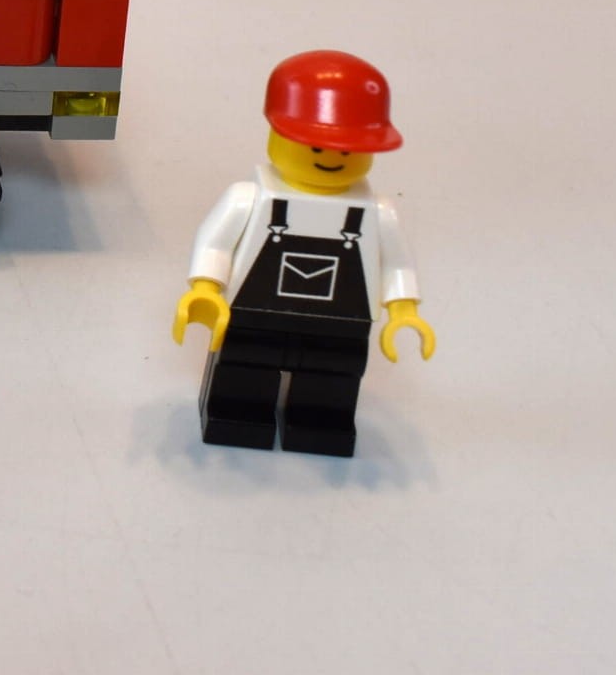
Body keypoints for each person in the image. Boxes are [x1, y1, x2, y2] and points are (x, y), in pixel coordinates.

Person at [171, 50, 435, 456]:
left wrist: (403, 310)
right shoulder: (250, 198)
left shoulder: (378, 213)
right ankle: (238, 416)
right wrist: (205, 288)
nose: (331, 159)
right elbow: (215, 242)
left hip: (341, 324)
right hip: (256, 315)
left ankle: (320, 423)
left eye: (345, 150)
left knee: (332, 378)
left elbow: (397, 264)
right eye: (317, 148)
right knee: (244, 371)